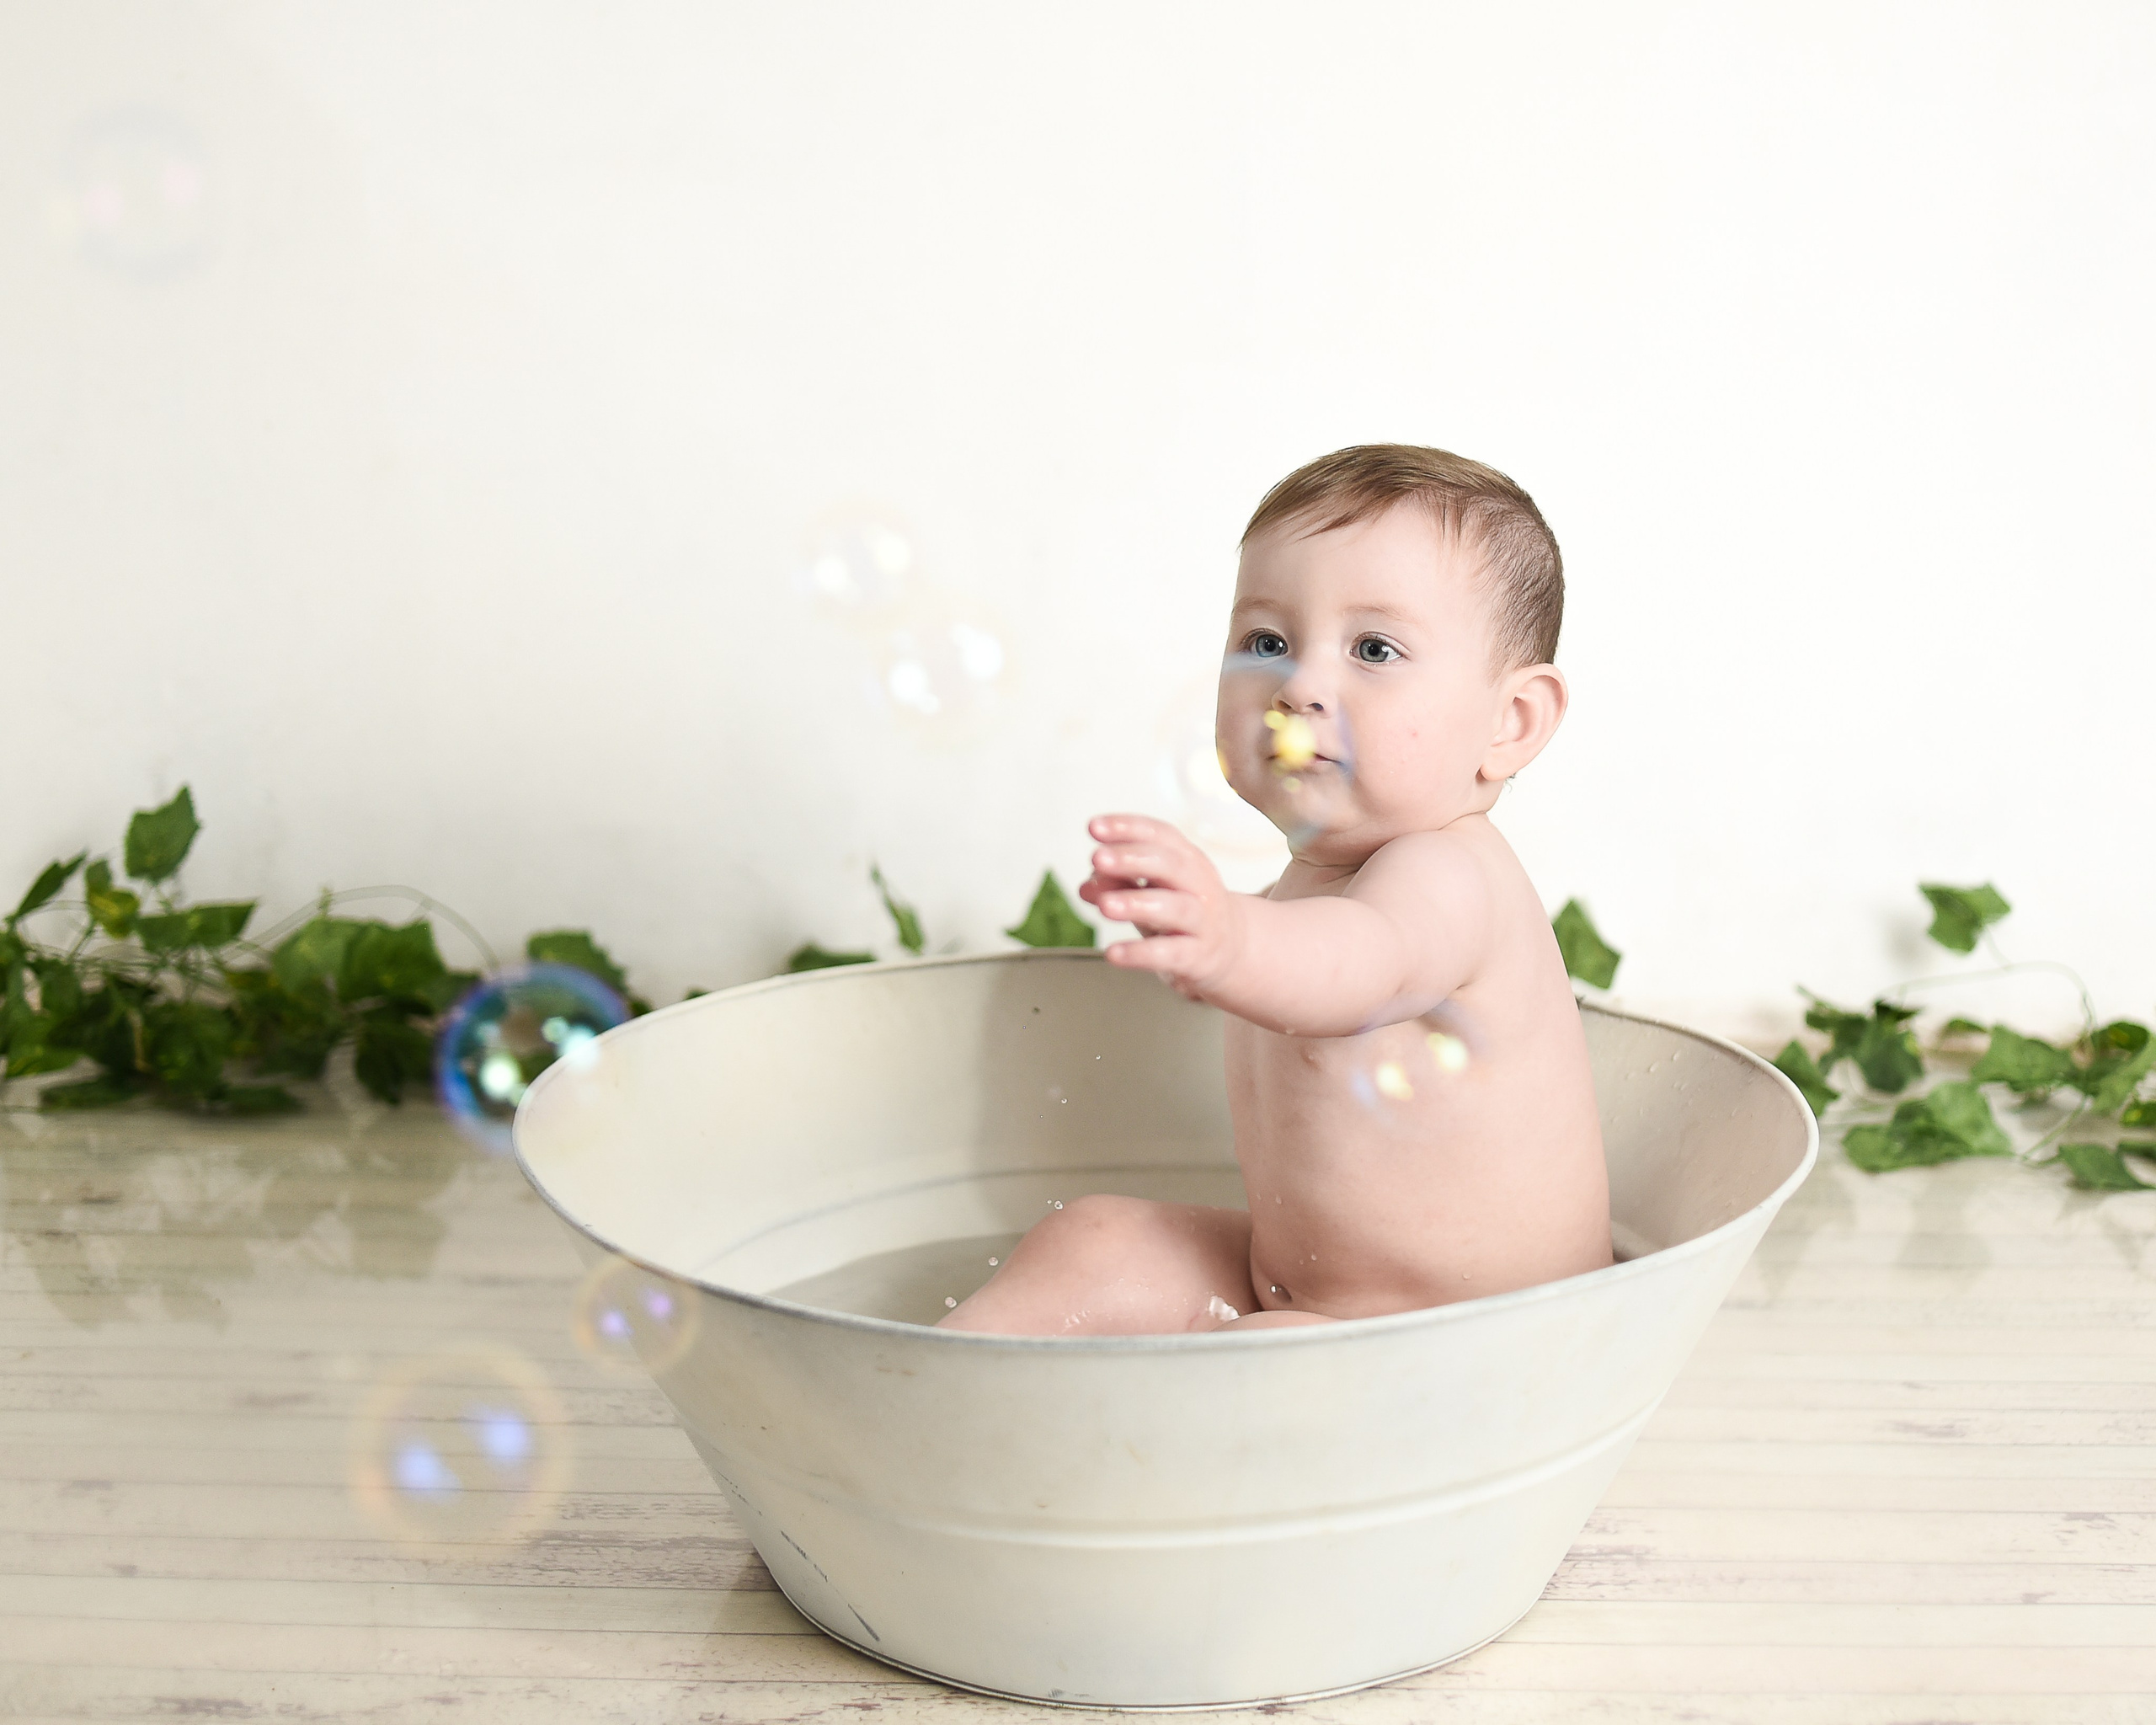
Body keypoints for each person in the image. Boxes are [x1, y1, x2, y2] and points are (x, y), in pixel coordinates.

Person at [942, 444, 1610, 1335]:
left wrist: (1228, 936)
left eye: (1374, 648)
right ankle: (926, 1382)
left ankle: (1028, 1446)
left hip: (1472, 1340)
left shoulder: (1449, 876)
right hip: (1304, 1293)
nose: (1299, 686)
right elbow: (1315, 944)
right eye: (1267, 642)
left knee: (1259, 1357)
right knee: (1093, 1238)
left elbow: (1360, 964)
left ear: (1510, 721)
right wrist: (1204, 921)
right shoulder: (1314, 883)